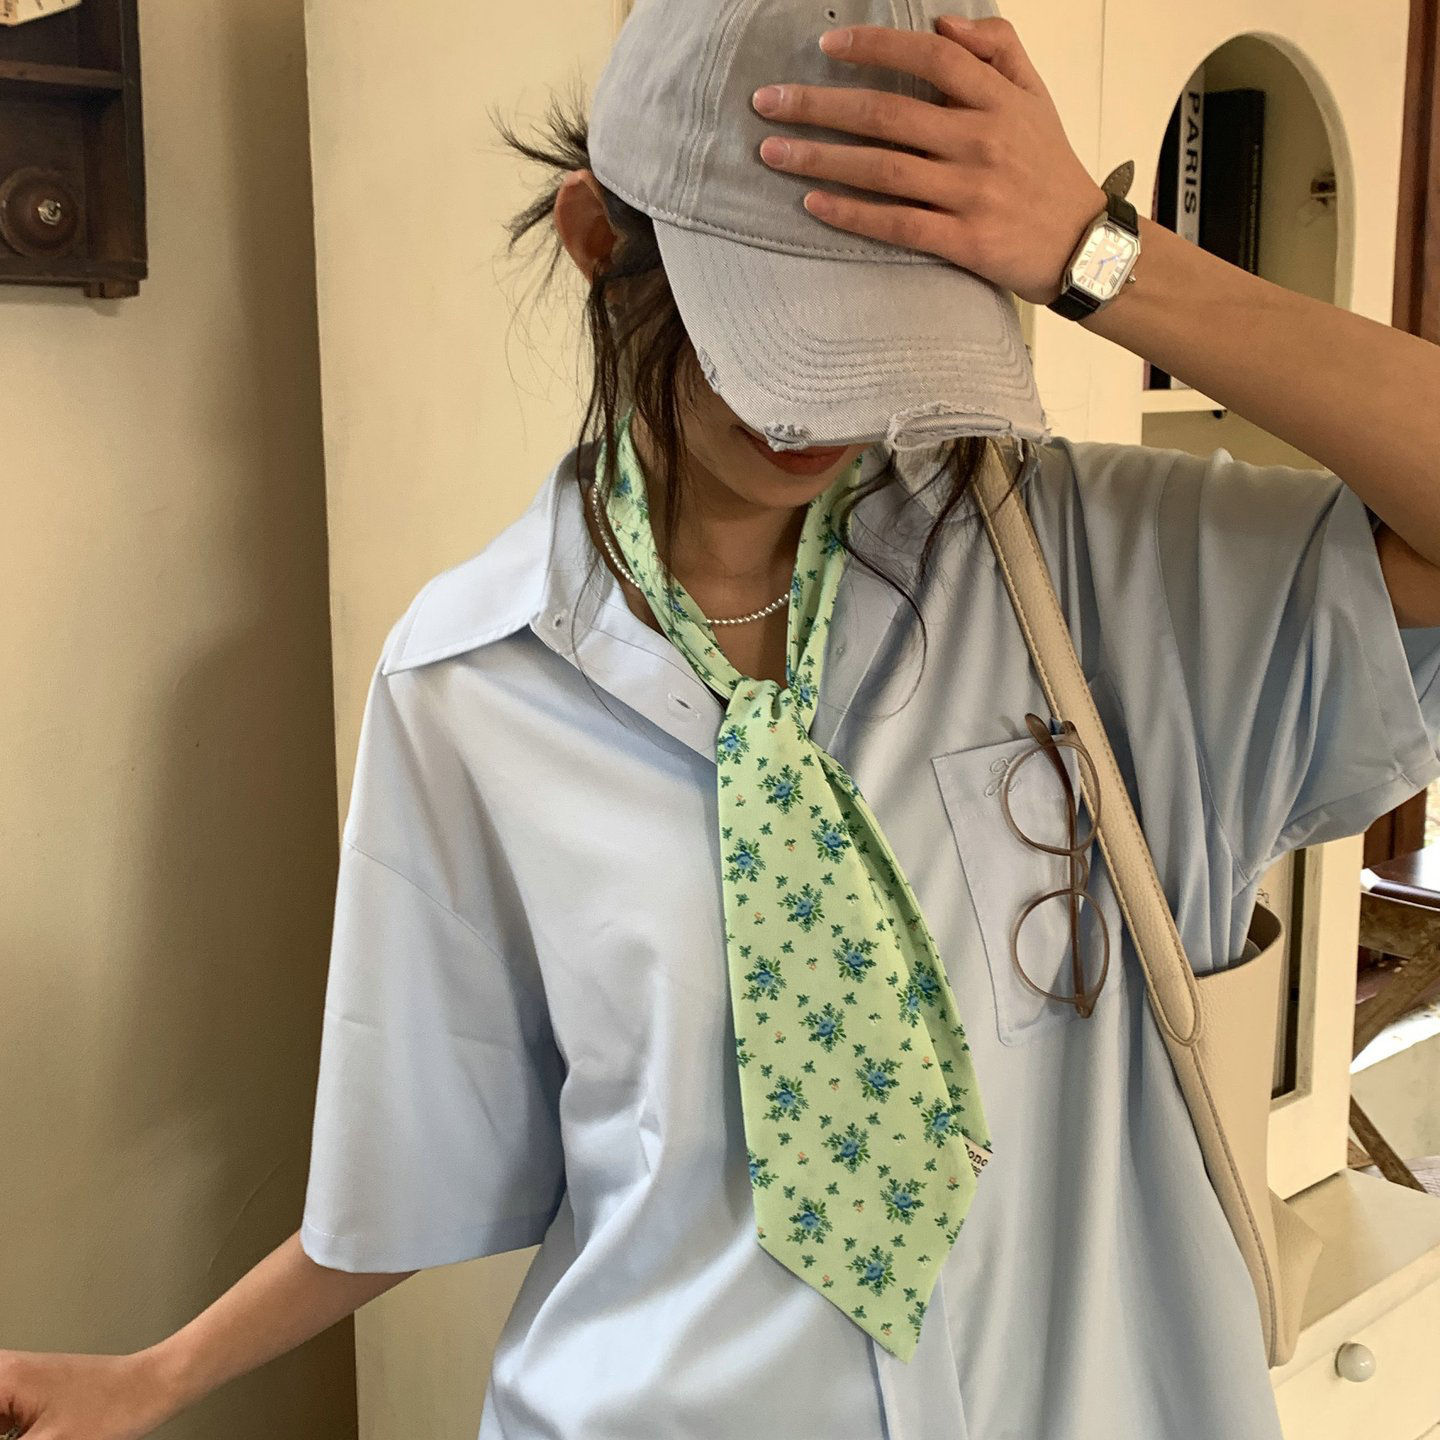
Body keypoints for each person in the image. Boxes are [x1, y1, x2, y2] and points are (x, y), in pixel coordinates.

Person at [6, 4, 1440, 1438]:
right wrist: (158, 1377)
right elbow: (419, 1148)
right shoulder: (465, 685)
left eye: (887, 313)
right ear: (598, 242)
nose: (823, 401)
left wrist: (1100, 253)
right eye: (771, 313)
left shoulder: (1091, 574)